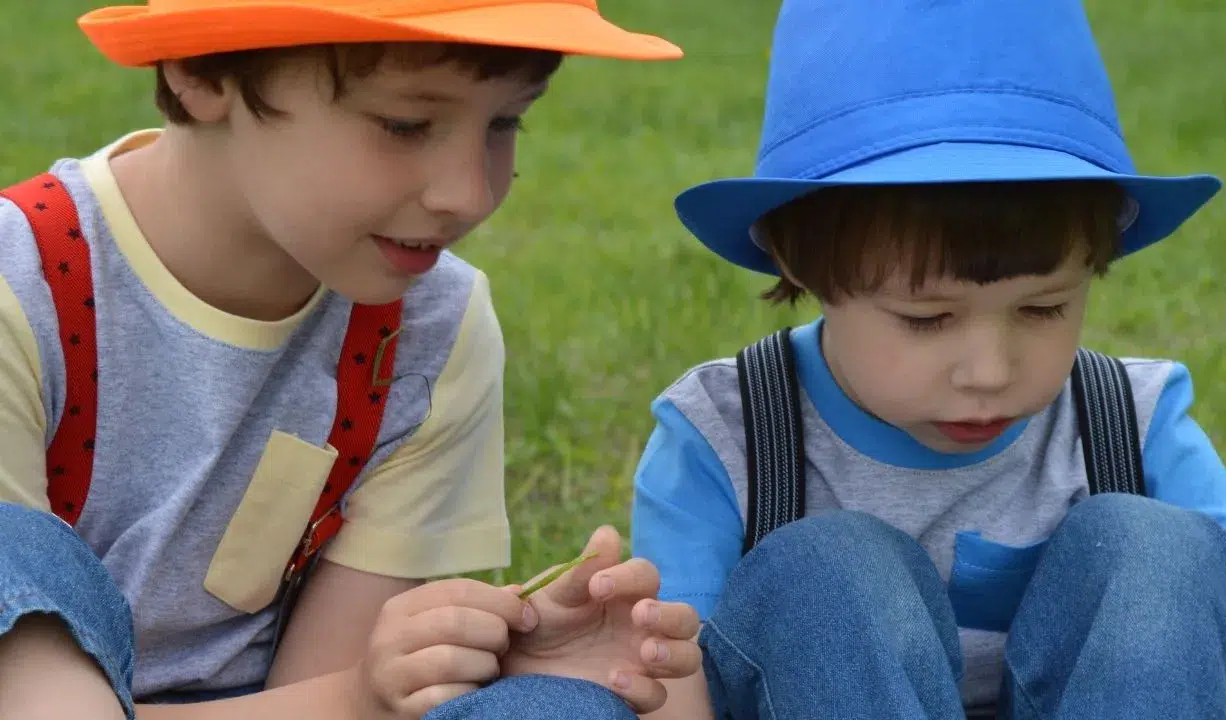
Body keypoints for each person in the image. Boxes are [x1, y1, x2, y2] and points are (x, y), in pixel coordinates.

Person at [0, 1, 702, 719]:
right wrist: (357, 694)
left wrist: (467, 659)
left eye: (503, 123)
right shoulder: (20, 287)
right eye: (405, 125)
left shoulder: (428, 328)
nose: (468, 193)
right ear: (201, 70)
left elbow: (329, 701)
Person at [629, 0, 1226, 718]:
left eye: (1043, 309)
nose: (990, 372)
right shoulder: (725, 437)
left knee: (1165, 552)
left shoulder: (1131, 421)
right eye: (926, 318)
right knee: (827, 572)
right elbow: (671, 678)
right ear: (797, 260)